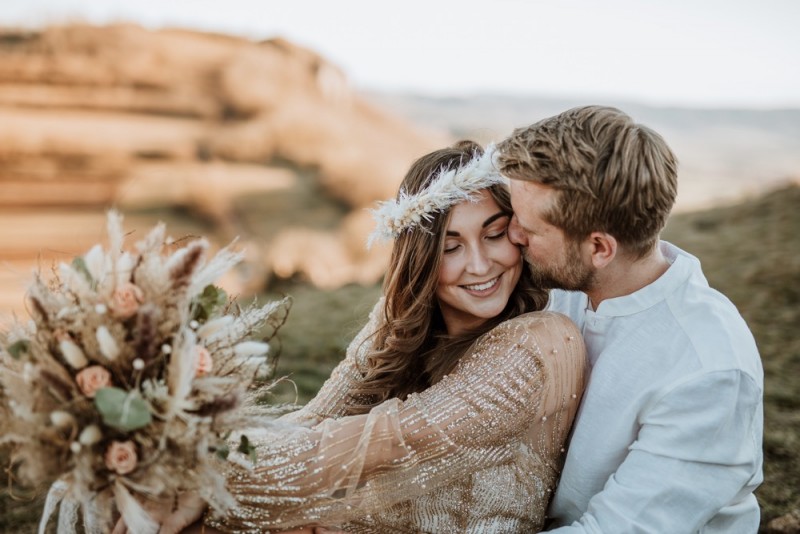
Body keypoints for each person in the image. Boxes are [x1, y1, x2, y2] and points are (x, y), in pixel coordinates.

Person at [124, 141, 586, 533]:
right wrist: (185, 463)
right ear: (421, 258)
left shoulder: (539, 343)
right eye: (451, 247)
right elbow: (313, 423)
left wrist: (204, 475)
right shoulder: (394, 326)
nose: (480, 265)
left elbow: (389, 439)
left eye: (495, 235)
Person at [496, 105, 764, 533]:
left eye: (530, 228)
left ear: (599, 248)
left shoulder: (709, 372)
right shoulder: (562, 283)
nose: (512, 235)